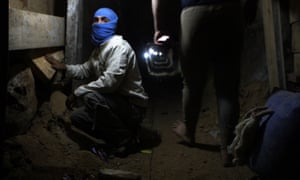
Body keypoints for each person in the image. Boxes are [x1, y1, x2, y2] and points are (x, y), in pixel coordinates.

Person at [152, 0, 258, 167]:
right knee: (227, 87)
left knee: (192, 82)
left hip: (194, 11)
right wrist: (251, 6)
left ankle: (189, 132)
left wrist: (158, 27)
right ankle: (228, 149)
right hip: (230, 10)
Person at [46, 7, 149, 157]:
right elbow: (85, 70)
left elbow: (109, 83)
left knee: (90, 97)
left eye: (104, 20)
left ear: (113, 24)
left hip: (132, 106)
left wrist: (77, 91)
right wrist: (65, 67)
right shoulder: (99, 50)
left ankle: (125, 139)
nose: (99, 23)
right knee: (77, 117)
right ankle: (120, 136)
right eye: (96, 20)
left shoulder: (118, 47)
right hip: (116, 104)